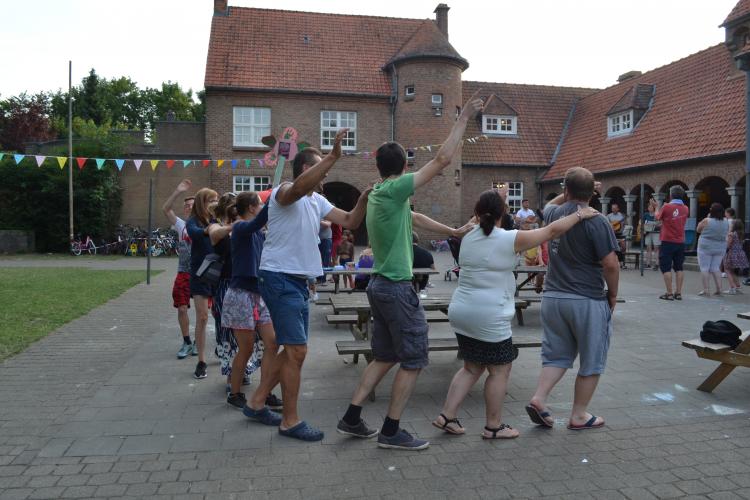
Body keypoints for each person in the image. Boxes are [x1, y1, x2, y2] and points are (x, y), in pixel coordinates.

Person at [336, 90, 484, 451]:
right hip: (398, 289)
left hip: (379, 287)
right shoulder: (394, 188)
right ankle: (391, 431)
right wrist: (462, 118)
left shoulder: (380, 194)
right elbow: (444, 158)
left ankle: (352, 418)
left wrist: (451, 231)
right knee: (414, 360)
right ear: (403, 166)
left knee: (385, 356)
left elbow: (413, 216)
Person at [433, 188, 599, 439]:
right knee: (499, 370)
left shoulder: (467, 236)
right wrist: (580, 213)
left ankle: (447, 416)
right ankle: (493, 426)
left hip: (462, 310)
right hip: (489, 314)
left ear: (477, 213)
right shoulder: (510, 238)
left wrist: (563, 198)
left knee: (471, 367)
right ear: (504, 213)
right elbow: (552, 230)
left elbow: (484, 218)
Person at [259, 130, 370, 442]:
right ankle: (289, 421)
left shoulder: (317, 201)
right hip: (279, 277)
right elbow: (297, 188)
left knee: (294, 350)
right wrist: (333, 157)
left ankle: (256, 401)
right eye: (321, 169)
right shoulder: (284, 192)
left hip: (296, 281)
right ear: (307, 170)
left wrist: (362, 199)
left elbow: (349, 221)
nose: (325, 177)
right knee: (296, 351)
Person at [526, 167, 619, 431]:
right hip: (585, 298)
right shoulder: (597, 220)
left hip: (554, 297)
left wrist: (568, 191)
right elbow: (610, 264)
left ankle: (539, 398)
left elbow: (548, 205)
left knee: (556, 354)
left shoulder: (556, 213)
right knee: (592, 357)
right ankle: (579, 415)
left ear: (565, 190)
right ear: (593, 193)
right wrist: (612, 294)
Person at [221, 191, 283, 418]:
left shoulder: (258, 232)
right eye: (260, 204)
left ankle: (265, 392)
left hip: (259, 294)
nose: (261, 208)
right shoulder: (239, 228)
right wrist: (274, 200)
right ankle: (234, 394)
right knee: (246, 348)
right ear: (252, 208)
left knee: (272, 343)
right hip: (241, 295)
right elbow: (260, 220)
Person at [185, 188, 219, 379]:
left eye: (216, 200)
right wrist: (211, 229)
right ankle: (201, 360)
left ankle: (222, 348)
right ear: (201, 202)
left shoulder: (218, 219)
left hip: (219, 272)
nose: (214, 203)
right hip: (200, 274)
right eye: (210, 200)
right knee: (203, 317)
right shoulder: (193, 221)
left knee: (221, 314)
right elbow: (196, 234)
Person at [162, 179, 196, 359]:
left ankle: (200, 340)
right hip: (183, 272)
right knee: (182, 309)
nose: (189, 208)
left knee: (203, 312)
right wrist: (178, 191)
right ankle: (187, 342)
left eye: (192, 205)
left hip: (201, 274)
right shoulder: (181, 225)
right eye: (187, 206)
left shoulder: (207, 225)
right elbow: (166, 209)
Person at [656, 186, 689, 301]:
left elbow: (657, 217)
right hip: (680, 241)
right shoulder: (686, 208)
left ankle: (669, 293)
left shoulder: (666, 206)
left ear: (671, 195)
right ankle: (678, 293)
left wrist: (656, 207)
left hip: (667, 241)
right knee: (679, 267)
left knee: (666, 267)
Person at [696, 203, 730, 296]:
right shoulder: (726, 221)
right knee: (715, 267)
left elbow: (698, 230)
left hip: (705, 246)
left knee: (704, 268)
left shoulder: (707, 220)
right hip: (720, 246)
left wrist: (705, 219)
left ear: (712, 211)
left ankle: (706, 290)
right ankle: (719, 289)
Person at [725, 220, 749, 294]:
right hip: (740, 253)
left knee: (727, 270)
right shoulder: (741, 234)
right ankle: (737, 287)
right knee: (733, 271)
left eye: (731, 224)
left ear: (734, 226)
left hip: (732, 253)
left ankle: (732, 288)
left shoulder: (731, 234)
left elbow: (728, 245)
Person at [642, 198, 661, 271]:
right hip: (648, 232)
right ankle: (648, 263)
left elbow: (660, 223)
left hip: (656, 232)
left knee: (656, 248)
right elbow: (641, 222)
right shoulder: (646, 214)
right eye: (648, 207)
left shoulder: (657, 213)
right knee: (648, 248)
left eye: (651, 206)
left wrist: (656, 224)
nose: (649, 208)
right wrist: (643, 226)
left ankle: (657, 263)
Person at [607, 203, 626, 269]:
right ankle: (615, 263)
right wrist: (611, 227)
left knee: (623, 247)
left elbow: (623, 225)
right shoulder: (609, 216)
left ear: (618, 209)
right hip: (612, 234)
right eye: (612, 208)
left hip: (620, 234)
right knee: (614, 249)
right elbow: (607, 225)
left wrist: (621, 227)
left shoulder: (621, 216)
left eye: (615, 208)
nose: (613, 210)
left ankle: (622, 263)